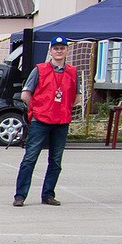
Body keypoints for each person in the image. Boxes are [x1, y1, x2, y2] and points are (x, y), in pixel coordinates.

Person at [14, 36, 80, 207]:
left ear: (67, 50)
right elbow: (25, 94)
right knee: (30, 158)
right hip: (41, 121)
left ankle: (48, 194)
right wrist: (38, 109)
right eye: (56, 48)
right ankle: (20, 195)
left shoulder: (72, 72)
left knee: (56, 161)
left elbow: (78, 97)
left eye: (62, 48)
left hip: (61, 121)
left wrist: (64, 107)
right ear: (50, 51)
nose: (59, 51)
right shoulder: (40, 70)